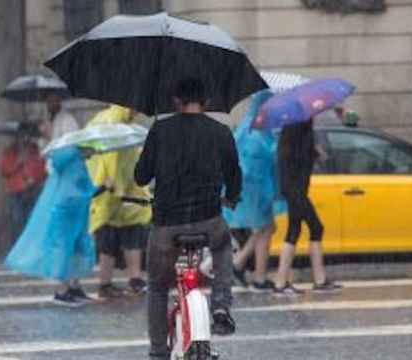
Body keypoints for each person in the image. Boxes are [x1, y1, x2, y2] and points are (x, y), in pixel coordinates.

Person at [134, 78, 241, 359]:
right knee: (222, 246)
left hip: (167, 224)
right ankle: (220, 305)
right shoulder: (220, 131)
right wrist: (232, 195)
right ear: (205, 102)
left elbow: (141, 176)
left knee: (157, 286)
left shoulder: (160, 129)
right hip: (209, 219)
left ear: (176, 101)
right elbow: (234, 175)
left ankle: (158, 351)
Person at [5, 146, 111, 307]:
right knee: (64, 251)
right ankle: (63, 291)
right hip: (68, 216)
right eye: (92, 148)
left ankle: (73, 288)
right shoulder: (75, 165)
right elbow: (76, 194)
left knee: (74, 250)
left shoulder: (73, 163)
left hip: (73, 216)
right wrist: (103, 187)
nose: (95, 151)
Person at [86, 105, 151, 299]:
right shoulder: (112, 122)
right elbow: (110, 158)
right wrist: (116, 187)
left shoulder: (122, 121)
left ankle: (131, 280)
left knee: (128, 233)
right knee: (112, 238)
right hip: (111, 191)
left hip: (124, 190)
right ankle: (111, 283)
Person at [221, 89, 283, 293]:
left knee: (265, 229)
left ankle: (244, 268)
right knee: (264, 229)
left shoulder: (256, 127)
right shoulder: (253, 130)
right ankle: (256, 276)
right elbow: (256, 158)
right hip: (255, 190)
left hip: (258, 188)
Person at [272, 119, 342, 296]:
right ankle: (288, 283)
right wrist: (313, 152)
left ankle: (290, 282)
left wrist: (315, 153)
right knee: (315, 227)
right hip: (296, 191)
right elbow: (297, 159)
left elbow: (296, 157)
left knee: (295, 231)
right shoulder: (298, 129)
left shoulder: (293, 131)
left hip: (295, 189)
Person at [0, 123, 47, 241]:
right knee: (17, 220)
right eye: (20, 136)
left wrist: (34, 178)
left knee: (32, 218)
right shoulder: (9, 152)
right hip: (16, 191)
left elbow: (43, 170)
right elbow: (4, 171)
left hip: (32, 189)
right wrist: (17, 164)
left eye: (25, 136)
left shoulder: (34, 151)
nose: (23, 139)